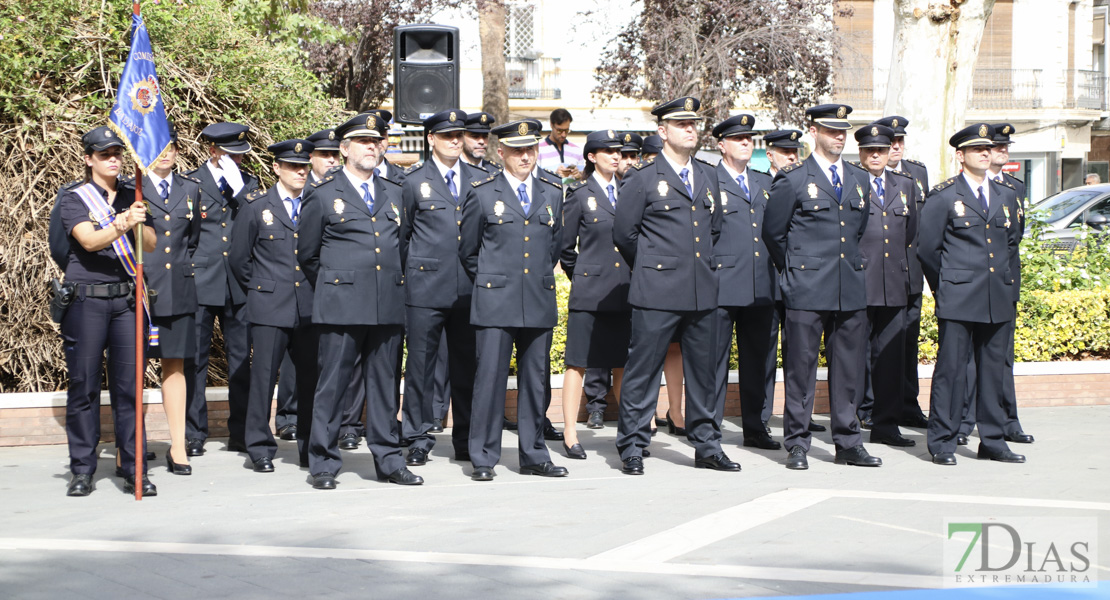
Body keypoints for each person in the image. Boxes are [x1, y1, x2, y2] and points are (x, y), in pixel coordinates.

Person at [613, 96, 738, 475]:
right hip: (657, 290)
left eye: (693, 124)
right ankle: (633, 444)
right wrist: (654, 267)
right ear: (662, 132)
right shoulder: (644, 178)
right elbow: (624, 234)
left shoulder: (708, 175)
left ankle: (707, 445)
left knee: (703, 373)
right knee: (643, 369)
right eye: (681, 124)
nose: (690, 129)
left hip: (701, 289)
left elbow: (713, 229)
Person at [298, 112, 423, 489]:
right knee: (332, 385)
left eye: (376, 141)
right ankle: (322, 461)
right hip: (341, 304)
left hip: (386, 304)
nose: (372, 147)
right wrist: (342, 283)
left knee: (384, 387)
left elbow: (399, 246)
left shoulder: (395, 192)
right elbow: (308, 255)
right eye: (363, 141)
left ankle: (389, 460)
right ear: (344, 148)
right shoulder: (322, 195)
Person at [763, 104, 881, 470]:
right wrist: (798, 270)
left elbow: (856, 231)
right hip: (806, 287)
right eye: (832, 130)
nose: (840, 136)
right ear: (813, 132)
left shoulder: (859, 180)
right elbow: (773, 233)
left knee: (849, 370)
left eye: (843, 130)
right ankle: (798, 442)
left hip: (849, 287)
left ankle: (848, 442)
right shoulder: (794, 179)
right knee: (801, 369)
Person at [458, 119, 569, 481]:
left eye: (531, 149)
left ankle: (534, 454)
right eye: (518, 150)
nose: (526, 156)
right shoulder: (482, 191)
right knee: (489, 380)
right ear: (501, 152)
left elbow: (554, 245)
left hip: (537, 298)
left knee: (535, 382)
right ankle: (484, 457)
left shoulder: (553, 190)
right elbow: (469, 250)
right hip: (495, 301)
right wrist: (494, 280)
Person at [917, 123, 1025, 466]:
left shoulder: (1006, 195)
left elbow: (1011, 243)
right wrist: (947, 284)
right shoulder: (945, 195)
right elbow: (928, 249)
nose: (985, 152)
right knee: (952, 370)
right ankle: (943, 441)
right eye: (977, 149)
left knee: (993, 370)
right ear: (960, 155)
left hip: (996, 296)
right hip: (960, 296)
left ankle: (992, 439)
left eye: (988, 148)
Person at [60, 126, 156, 497]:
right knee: (83, 385)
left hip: (127, 301)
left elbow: (150, 244)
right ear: (89, 159)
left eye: (117, 153)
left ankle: (135, 469)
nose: (114, 159)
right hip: (87, 300)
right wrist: (120, 223)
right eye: (105, 154)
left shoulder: (134, 194)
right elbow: (88, 239)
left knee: (129, 390)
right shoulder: (75, 198)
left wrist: (139, 221)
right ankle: (83, 469)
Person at [229, 139, 319, 473]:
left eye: (304, 166)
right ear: (276, 168)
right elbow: (240, 261)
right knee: (263, 379)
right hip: (270, 305)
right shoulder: (256, 206)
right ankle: (260, 446)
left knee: (310, 380)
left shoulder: (316, 203)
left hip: (309, 305)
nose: (300, 172)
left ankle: (310, 446)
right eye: (293, 166)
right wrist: (262, 289)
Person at [398, 109, 480, 466]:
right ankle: (417, 435)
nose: (455, 141)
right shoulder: (412, 181)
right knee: (420, 367)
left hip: (469, 289)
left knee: (467, 367)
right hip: (425, 287)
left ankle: (465, 438)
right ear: (431, 138)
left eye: (458, 135)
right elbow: (402, 237)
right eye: (447, 135)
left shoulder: (479, 178)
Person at [124, 122, 202, 476]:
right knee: (133, 369)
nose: (167, 152)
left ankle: (178, 445)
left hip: (178, 288)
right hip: (141, 288)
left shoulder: (191, 189)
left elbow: (192, 241)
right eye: (159, 147)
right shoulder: (130, 189)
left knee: (175, 365)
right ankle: (135, 442)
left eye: (171, 146)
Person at [184, 122, 259, 457]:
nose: (237, 162)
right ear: (213, 151)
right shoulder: (190, 183)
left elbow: (256, 220)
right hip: (202, 281)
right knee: (194, 361)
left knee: (241, 361)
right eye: (230, 156)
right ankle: (193, 432)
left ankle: (241, 432)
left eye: (241, 157)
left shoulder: (249, 186)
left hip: (239, 283)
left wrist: (240, 188)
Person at [558, 130, 633, 458]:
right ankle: (571, 433)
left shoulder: (629, 192)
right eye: (606, 151)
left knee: (622, 365)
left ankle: (630, 432)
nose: (615, 156)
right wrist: (585, 277)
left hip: (623, 291)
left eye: (617, 151)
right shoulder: (579, 194)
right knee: (577, 363)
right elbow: (565, 247)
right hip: (590, 293)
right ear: (591, 156)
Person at [958, 124, 1033, 446]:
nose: (1000, 151)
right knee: (967, 360)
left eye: (1004, 146)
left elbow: (1014, 240)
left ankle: (1007, 420)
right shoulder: (962, 188)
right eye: (994, 146)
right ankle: (963, 421)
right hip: (970, 287)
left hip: (1003, 284)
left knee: (1002, 358)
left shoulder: (1013, 189)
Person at [709, 114, 780, 450]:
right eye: (738, 139)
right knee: (714, 362)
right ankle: (709, 429)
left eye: (749, 139)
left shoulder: (765, 183)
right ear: (721, 144)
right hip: (722, 284)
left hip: (761, 285)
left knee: (759, 361)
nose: (746, 144)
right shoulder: (709, 180)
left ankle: (756, 426)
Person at [269, 128, 341, 444]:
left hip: (317, 290)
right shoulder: (297, 192)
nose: (331, 160)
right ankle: (286, 416)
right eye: (325, 155)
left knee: (314, 363)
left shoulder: (327, 194)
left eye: (334, 154)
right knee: (288, 363)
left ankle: (311, 424)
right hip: (285, 291)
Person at [853, 124, 919, 448]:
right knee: (853, 356)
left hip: (893, 281)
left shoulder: (905, 185)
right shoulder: (850, 184)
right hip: (858, 282)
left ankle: (886, 425)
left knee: (891, 359)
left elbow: (909, 233)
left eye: (881, 149)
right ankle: (851, 422)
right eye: (869, 150)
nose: (876, 154)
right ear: (861, 154)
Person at [865, 116, 930, 431]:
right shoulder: (859, 177)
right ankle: (868, 406)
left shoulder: (916, 174)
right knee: (867, 345)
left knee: (905, 344)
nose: (896, 148)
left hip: (906, 273)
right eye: (891, 143)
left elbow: (917, 230)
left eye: (899, 142)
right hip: (870, 273)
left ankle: (907, 404)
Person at [760, 129, 813, 434]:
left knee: (799, 353)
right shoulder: (760, 182)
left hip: (800, 281)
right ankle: (764, 416)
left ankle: (801, 416)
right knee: (766, 353)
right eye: (784, 152)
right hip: (768, 279)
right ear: (771, 155)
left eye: (795, 151)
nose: (792, 156)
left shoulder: (805, 182)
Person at [537, 108, 584, 182]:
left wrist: (578, 175)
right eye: (559, 131)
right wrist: (554, 175)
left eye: (566, 130)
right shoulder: (538, 149)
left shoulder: (577, 150)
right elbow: (535, 178)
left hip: (572, 193)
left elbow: (583, 178)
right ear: (551, 125)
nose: (563, 135)